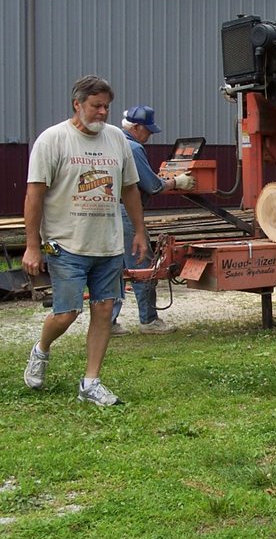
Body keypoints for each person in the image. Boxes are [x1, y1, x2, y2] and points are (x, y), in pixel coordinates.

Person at [21, 75, 148, 406]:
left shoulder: (117, 141)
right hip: (65, 244)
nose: (102, 113)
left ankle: (91, 382)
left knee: (104, 310)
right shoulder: (52, 140)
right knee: (67, 313)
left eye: (106, 106)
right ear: (77, 105)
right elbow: (34, 195)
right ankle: (41, 349)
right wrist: (32, 245)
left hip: (107, 244)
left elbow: (130, 189)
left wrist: (140, 232)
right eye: (96, 106)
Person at [110, 104, 194, 335]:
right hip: (126, 212)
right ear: (136, 128)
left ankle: (108, 322)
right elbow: (151, 185)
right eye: (148, 131)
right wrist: (177, 182)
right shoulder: (133, 147)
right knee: (142, 263)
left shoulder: (111, 142)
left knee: (112, 267)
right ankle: (149, 320)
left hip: (107, 212)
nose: (149, 136)